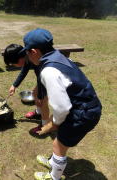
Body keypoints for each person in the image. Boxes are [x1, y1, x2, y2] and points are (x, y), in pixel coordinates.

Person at [21, 28, 102, 180]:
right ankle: (53, 162)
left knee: (58, 145)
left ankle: (53, 177)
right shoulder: (59, 56)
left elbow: (62, 107)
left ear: (34, 51)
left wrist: (53, 124)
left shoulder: (48, 71)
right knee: (61, 143)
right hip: (88, 106)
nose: (27, 56)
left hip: (83, 113)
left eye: (27, 52)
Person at [3, 44, 50, 132]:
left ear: (20, 58)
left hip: (50, 78)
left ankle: (45, 125)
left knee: (43, 101)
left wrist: (41, 94)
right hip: (42, 79)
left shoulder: (37, 58)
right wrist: (14, 85)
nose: (14, 65)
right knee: (35, 93)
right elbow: (24, 71)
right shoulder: (27, 57)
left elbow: (44, 76)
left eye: (13, 63)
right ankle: (38, 113)